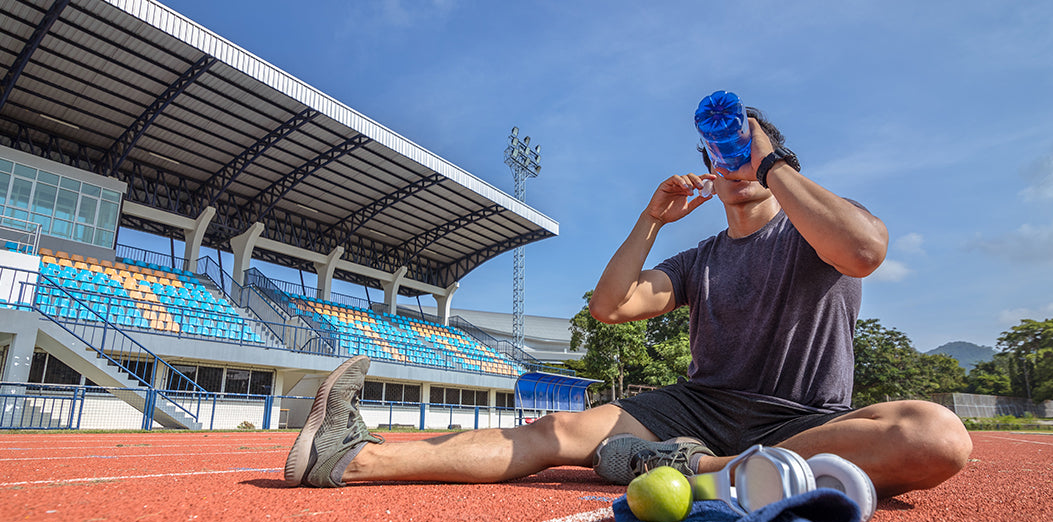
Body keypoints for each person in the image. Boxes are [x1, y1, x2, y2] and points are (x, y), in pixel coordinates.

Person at [284, 105, 972, 499]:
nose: (732, 157)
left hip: (803, 422)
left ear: (776, 158)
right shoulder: (699, 259)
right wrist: (651, 219)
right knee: (551, 437)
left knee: (936, 436)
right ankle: (353, 458)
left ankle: (698, 472)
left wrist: (767, 162)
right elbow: (611, 306)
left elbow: (863, 253)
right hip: (697, 408)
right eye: (721, 149)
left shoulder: (819, 221)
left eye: (747, 145)